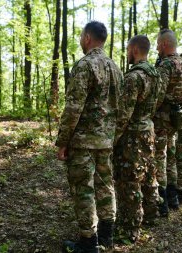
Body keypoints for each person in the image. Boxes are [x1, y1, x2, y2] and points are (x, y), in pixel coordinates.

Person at [55, 21, 123, 253]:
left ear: (87, 38)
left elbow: (73, 108)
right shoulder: (115, 67)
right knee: (105, 186)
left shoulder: (85, 65)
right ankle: (106, 236)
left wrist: (63, 141)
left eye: (81, 36)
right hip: (105, 141)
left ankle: (88, 243)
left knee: (84, 189)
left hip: (84, 142)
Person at [114, 35, 163, 243]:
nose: (126, 53)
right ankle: (151, 214)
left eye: (127, 49)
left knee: (129, 180)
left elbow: (124, 113)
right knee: (149, 174)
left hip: (133, 135)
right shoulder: (156, 75)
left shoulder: (134, 77)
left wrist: (113, 138)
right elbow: (158, 102)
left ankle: (130, 228)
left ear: (134, 49)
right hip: (148, 130)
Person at [154, 29, 182, 214]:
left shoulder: (166, 65)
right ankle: (174, 198)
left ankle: (162, 203)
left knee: (160, 157)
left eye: (159, 44)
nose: (157, 48)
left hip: (163, 118)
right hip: (178, 118)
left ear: (166, 44)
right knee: (172, 157)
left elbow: (158, 95)